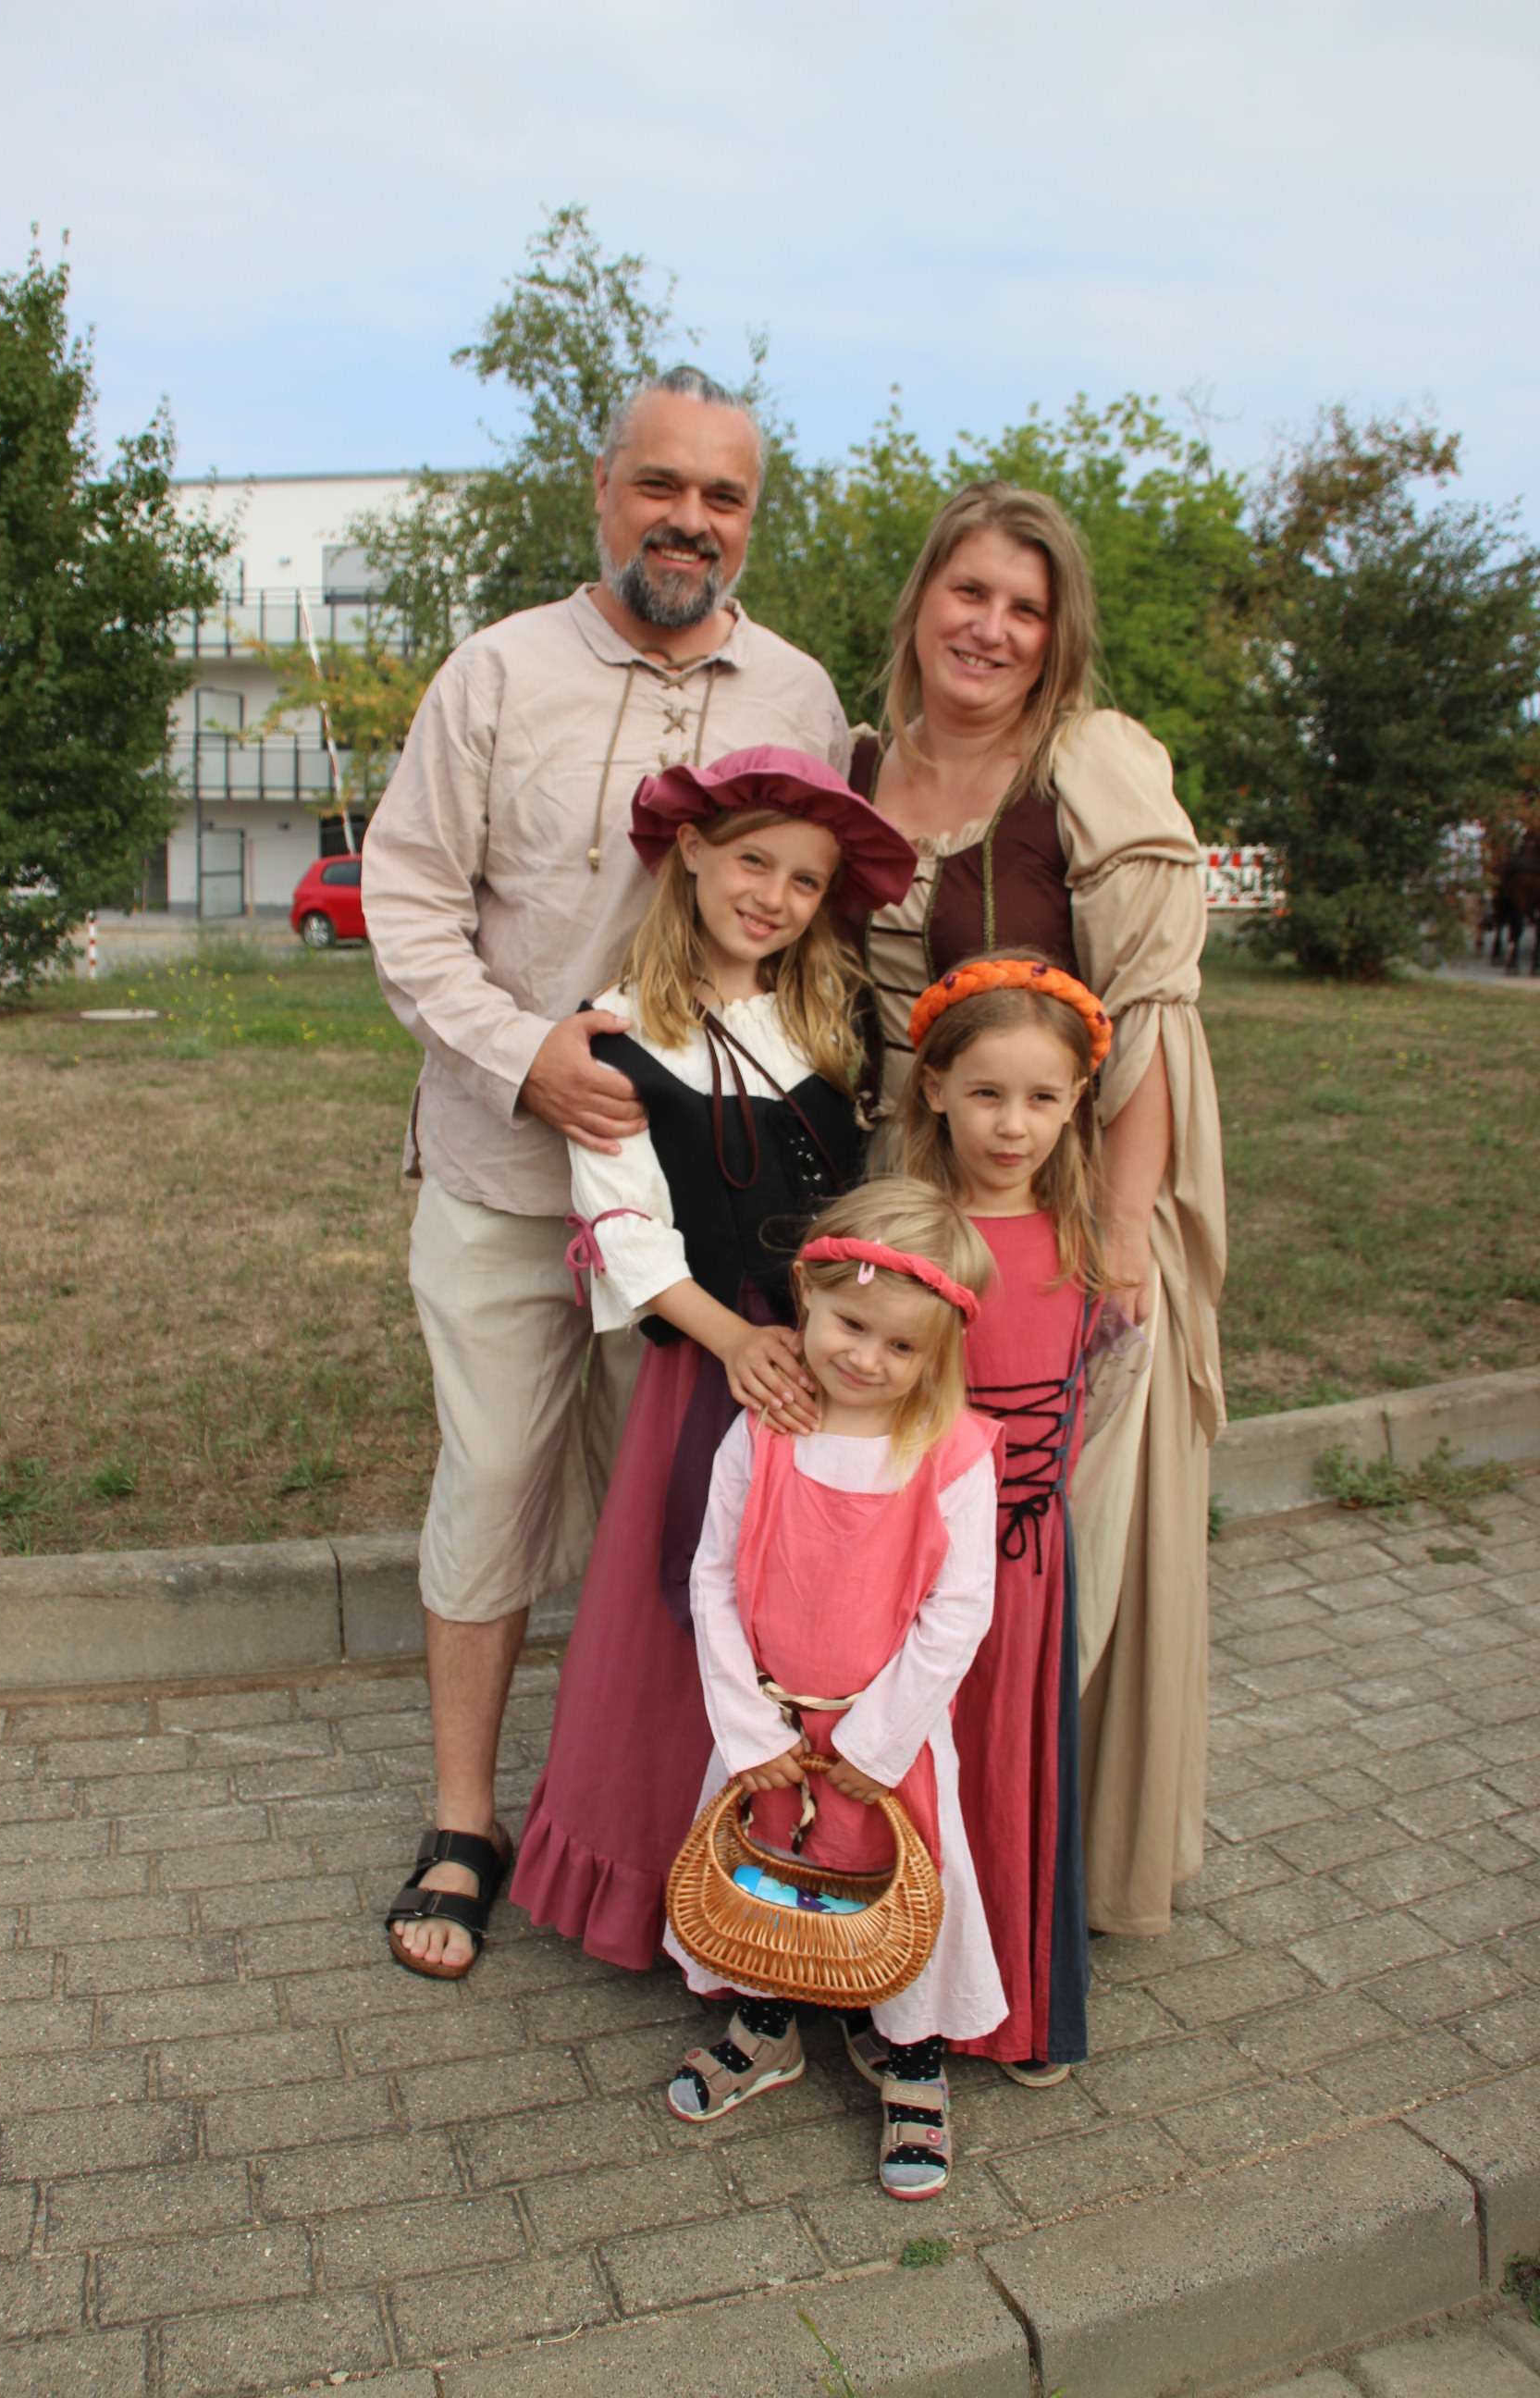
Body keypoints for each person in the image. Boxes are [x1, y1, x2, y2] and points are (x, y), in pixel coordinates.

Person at [363, 366, 852, 1978]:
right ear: (602, 489)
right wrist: (525, 1055)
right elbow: (406, 901)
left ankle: (656, 1824)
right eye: (660, 485)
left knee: (684, 1521)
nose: (687, 521)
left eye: (722, 497)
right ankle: (464, 1819)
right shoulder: (499, 672)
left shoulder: (798, 692)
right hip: (509, 1175)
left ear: (749, 519)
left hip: (710, 1215)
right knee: (498, 1483)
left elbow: (818, 923)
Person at [844, 483, 1226, 1940]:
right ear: (921, 601)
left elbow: (1154, 1019)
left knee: (1048, 1549)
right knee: (907, 1548)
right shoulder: (860, 767)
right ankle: (892, 1868)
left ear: (1058, 634)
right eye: (970, 592)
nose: (991, 629)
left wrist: (1118, 1240)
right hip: (909, 1217)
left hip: (1063, 1218)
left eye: (1026, 606)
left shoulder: (1087, 767)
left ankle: (1026, 1882)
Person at [510, 748, 917, 1969]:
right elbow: (623, 1225)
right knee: (698, 1607)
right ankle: (664, 1884)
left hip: (842, 1361)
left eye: (806, 881)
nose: (774, 897)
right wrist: (735, 1338)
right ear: (690, 853)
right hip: (719, 1363)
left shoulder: (825, 1020)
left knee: (822, 1616)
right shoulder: (619, 1035)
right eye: (754, 862)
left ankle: (814, 1878)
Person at [662, 1180, 1005, 2203]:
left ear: (936, 1355)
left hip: (883, 1744)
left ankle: (911, 2058)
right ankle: (767, 2025)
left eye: (901, 1346)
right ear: (808, 1298)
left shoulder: (950, 1455)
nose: (867, 1359)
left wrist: (873, 1746)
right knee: (766, 1875)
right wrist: (749, 1727)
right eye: (852, 1326)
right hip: (769, 1727)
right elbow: (715, 1579)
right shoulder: (762, 1433)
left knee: (899, 1888)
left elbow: (958, 1613)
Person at [883, 955, 1127, 2085]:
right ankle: (896, 1999)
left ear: (1076, 1103)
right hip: (919, 1565)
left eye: (1041, 1097)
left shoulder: (1087, 1240)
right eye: (986, 1093)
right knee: (919, 1766)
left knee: (1010, 1768)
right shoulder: (911, 1237)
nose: (1013, 1124)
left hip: (1028, 1564)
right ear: (934, 1088)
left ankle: (1016, 2008)